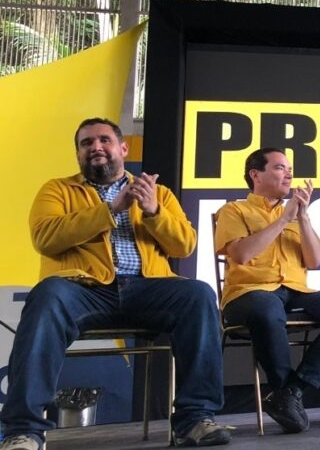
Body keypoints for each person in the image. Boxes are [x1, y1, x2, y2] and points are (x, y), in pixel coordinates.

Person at [0, 118, 230, 450]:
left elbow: (184, 245)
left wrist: (153, 212)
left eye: (104, 140)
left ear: (122, 148)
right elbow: (46, 237)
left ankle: (194, 419)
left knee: (198, 294)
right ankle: (24, 431)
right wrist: (111, 209)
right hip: (84, 289)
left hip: (147, 289)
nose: (95, 147)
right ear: (78, 154)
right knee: (47, 294)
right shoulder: (57, 189)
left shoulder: (158, 193)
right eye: (86, 143)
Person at [215, 147, 320, 433]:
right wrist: (282, 219)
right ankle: (284, 393)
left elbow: (313, 261)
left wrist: (303, 217)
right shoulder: (234, 210)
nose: (289, 173)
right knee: (267, 307)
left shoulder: (297, 215)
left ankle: (292, 392)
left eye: (289, 168)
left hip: (294, 290)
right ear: (255, 174)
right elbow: (242, 255)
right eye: (280, 167)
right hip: (247, 293)